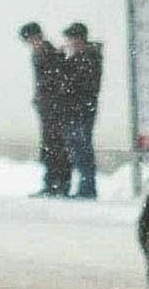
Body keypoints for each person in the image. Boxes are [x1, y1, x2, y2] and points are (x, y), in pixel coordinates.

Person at [20, 21, 71, 196]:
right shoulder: (42, 54)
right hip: (48, 107)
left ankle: (59, 184)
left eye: (32, 40)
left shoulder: (49, 53)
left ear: (38, 37)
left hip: (54, 108)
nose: (31, 44)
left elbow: (53, 81)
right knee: (50, 146)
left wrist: (46, 98)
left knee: (56, 146)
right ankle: (51, 183)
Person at [60, 22, 103, 199]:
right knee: (78, 150)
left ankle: (88, 187)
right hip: (75, 110)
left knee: (83, 149)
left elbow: (82, 86)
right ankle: (85, 186)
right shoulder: (79, 58)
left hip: (82, 111)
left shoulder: (89, 58)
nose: (69, 43)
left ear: (79, 39)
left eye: (71, 39)